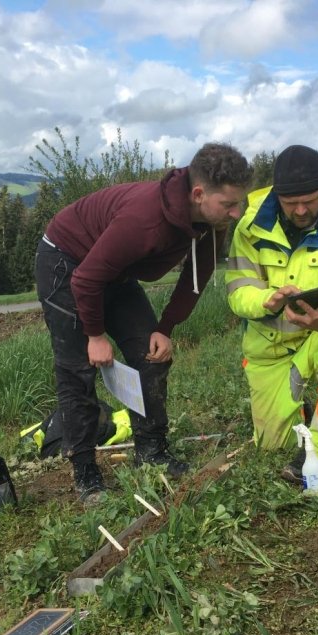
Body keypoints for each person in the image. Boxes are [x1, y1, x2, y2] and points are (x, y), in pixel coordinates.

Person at [35, 142, 252, 504]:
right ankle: (86, 472)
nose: (236, 213)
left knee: (151, 354)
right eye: (228, 204)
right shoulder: (146, 220)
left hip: (113, 271)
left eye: (239, 203)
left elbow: (197, 276)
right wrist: (95, 334)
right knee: (78, 370)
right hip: (67, 261)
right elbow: (86, 279)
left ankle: (152, 452)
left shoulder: (209, 220)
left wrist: (164, 328)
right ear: (198, 194)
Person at [224, 144, 318, 482]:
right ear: (277, 195)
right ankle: (305, 414)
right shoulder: (249, 227)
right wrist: (267, 299)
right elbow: (238, 293)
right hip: (271, 349)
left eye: (309, 199)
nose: (301, 210)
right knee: (271, 444)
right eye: (291, 203)